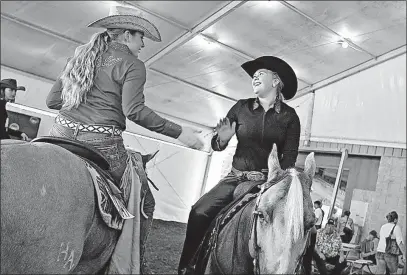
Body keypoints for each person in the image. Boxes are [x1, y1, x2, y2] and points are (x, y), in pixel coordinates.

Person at [45, 5, 204, 187]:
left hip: (60, 133)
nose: (143, 44)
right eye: (141, 37)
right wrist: (179, 132)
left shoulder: (80, 56)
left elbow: (53, 101)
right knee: (138, 187)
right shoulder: (133, 64)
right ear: (127, 35)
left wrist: (80, 110)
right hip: (100, 142)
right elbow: (134, 110)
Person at [178, 56, 302, 275]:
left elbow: (289, 157)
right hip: (235, 177)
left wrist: (273, 185)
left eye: (260, 73)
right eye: (254, 75)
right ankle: (188, 266)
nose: (254, 76)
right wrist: (223, 139)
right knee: (198, 211)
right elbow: (217, 145)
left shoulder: (290, 117)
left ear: (275, 81)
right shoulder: (240, 107)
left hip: (266, 183)